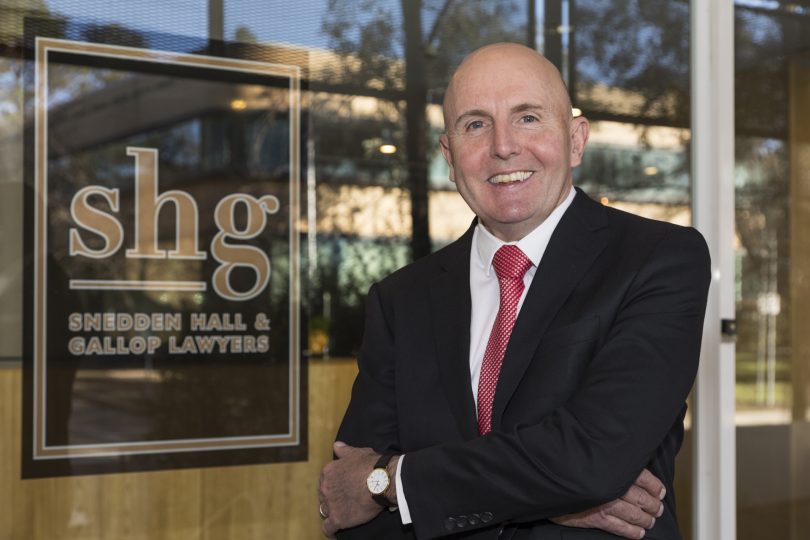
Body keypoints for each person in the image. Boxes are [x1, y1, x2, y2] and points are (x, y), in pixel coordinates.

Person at [318, 42, 711, 540]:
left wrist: (392, 480)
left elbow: (591, 461)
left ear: (575, 139)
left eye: (528, 118)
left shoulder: (658, 260)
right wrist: (550, 502)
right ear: (449, 154)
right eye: (476, 124)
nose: (503, 146)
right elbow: (353, 509)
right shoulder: (400, 300)